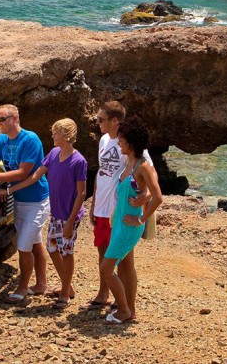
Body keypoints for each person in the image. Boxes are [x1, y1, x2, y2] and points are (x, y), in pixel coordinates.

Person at [0, 118, 87, 309]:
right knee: (53, 249)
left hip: (69, 215)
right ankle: (67, 286)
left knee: (67, 252)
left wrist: (71, 221)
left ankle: (64, 293)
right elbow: (35, 176)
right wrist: (9, 191)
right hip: (55, 213)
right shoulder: (54, 153)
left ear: (64, 135)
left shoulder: (79, 161)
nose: (52, 136)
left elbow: (82, 193)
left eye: (55, 133)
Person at [0, 104, 49, 304]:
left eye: (2, 119)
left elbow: (24, 172)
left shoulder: (30, 139)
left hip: (36, 199)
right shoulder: (1, 139)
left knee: (23, 245)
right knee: (34, 241)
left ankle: (22, 288)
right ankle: (41, 284)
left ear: (15, 118)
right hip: (18, 199)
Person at [87, 101, 152, 310]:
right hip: (101, 206)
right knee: (102, 250)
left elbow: (148, 173)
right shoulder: (104, 140)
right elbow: (101, 172)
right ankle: (104, 292)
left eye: (100, 119)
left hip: (120, 209)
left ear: (115, 121)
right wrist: (94, 201)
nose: (96, 123)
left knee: (124, 259)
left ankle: (123, 301)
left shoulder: (129, 143)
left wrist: (146, 196)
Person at [100, 116, 163, 324]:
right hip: (119, 222)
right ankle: (131, 310)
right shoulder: (130, 162)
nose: (118, 143)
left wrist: (142, 219)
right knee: (126, 266)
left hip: (129, 225)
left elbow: (158, 196)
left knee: (106, 269)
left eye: (122, 140)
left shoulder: (143, 166)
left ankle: (124, 311)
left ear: (132, 143)